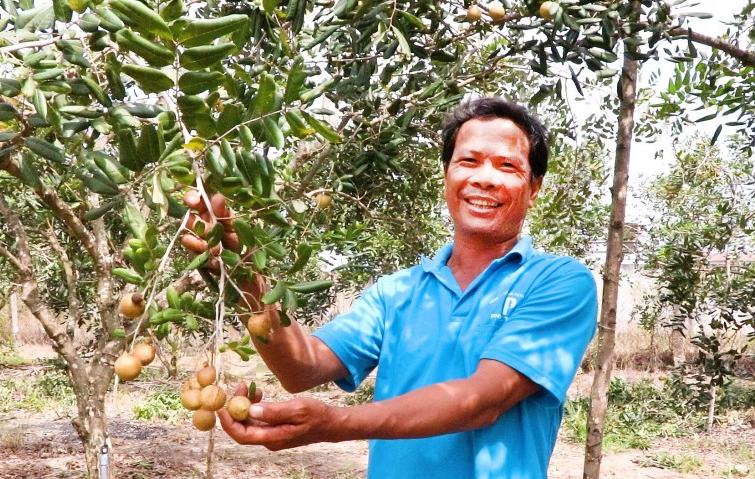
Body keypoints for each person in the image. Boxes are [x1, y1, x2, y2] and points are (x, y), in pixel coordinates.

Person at [182, 97, 598, 479]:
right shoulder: (396, 292)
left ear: (534, 188)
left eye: (507, 167)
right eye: (468, 161)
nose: (485, 179)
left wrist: (332, 423)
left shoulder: (560, 282)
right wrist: (242, 268)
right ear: (447, 175)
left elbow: (483, 399)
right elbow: (302, 367)